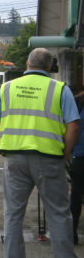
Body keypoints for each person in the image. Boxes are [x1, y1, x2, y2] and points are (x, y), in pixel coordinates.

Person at [0, 48, 80, 258]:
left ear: (27, 64)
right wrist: (65, 153)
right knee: (58, 213)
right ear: (49, 67)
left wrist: (3, 145)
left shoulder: (7, 88)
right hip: (50, 159)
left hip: (15, 160)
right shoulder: (59, 89)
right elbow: (73, 125)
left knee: (13, 214)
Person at [70, 91, 84, 245]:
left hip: (80, 155)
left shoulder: (78, 101)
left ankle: (72, 232)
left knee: (76, 194)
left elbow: (72, 126)